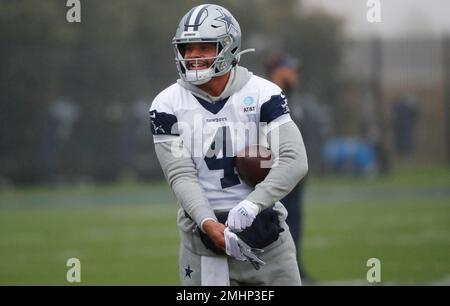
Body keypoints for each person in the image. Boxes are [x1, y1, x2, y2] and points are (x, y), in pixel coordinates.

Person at [149, 4, 308, 286]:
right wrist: (208, 222)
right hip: (203, 247)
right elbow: (181, 175)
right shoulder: (166, 104)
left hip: (268, 241)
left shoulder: (263, 93)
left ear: (228, 46)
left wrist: (251, 206)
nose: (193, 56)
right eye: (187, 48)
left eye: (203, 47)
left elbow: (294, 159)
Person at [265, 54, 313, 283]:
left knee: (295, 221)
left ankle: (296, 269)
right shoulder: (265, 95)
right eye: (290, 69)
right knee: (275, 223)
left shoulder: (294, 98)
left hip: (295, 175)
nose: (295, 74)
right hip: (274, 173)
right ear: (278, 70)